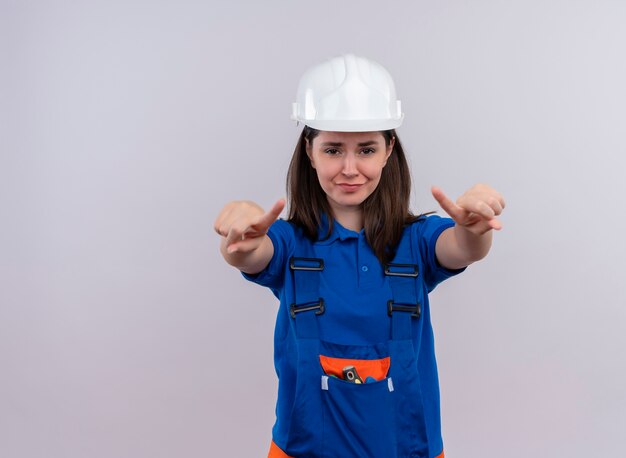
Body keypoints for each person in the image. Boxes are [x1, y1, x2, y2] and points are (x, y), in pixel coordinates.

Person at [214, 54, 505, 458]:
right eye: (333, 149)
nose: (350, 168)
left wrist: (474, 228)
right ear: (309, 150)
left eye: (366, 149)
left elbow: (462, 248)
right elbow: (251, 253)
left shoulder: (418, 241)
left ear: (388, 150)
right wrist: (241, 230)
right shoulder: (288, 244)